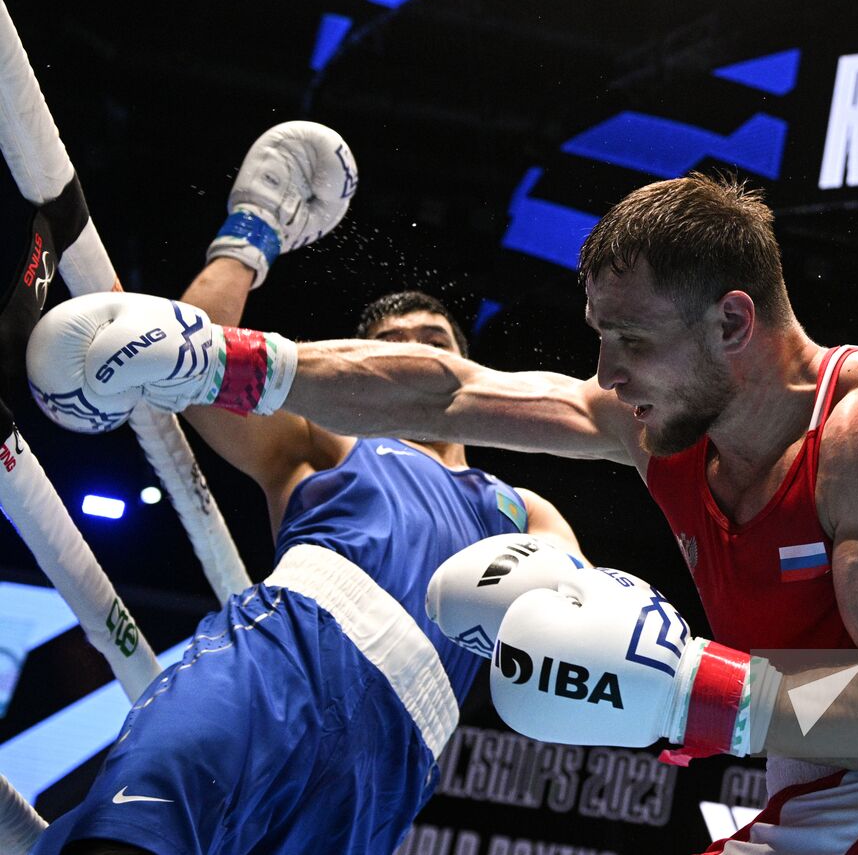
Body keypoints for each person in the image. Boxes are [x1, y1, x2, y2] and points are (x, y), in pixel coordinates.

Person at [31, 172, 858, 852]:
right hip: (802, 806)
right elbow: (448, 392)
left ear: (733, 320)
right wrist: (237, 363)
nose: (605, 372)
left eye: (630, 341)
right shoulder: (661, 423)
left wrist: (691, 686)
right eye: (598, 337)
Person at [27, 123, 582, 855]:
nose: (415, 349)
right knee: (127, 838)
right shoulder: (327, 439)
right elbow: (187, 362)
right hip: (279, 655)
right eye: (394, 344)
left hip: (395, 757)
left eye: (435, 341)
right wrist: (249, 232)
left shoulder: (521, 507)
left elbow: (572, 629)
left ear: (464, 369)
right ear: (363, 373)